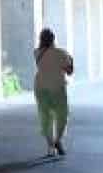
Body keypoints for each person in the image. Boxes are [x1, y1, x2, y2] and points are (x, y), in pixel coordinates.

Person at [32, 28, 75, 157]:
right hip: (57, 88)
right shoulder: (61, 53)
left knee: (45, 117)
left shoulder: (37, 52)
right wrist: (71, 60)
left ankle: (50, 145)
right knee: (62, 116)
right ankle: (57, 140)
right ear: (53, 39)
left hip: (40, 88)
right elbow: (69, 71)